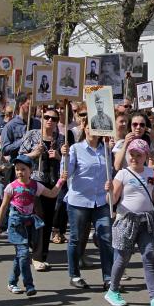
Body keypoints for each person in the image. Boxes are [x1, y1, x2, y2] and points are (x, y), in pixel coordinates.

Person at [105, 139, 154, 306]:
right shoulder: (122, 174)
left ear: (145, 156)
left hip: (147, 221)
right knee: (122, 258)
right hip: (127, 221)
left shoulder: (150, 173)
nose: (134, 158)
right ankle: (112, 290)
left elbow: (153, 196)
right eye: (132, 155)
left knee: (149, 256)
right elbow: (112, 201)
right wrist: (109, 191)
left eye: (138, 155)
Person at [0, 155, 64, 296]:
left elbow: (51, 194)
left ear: (31, 170)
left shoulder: (35, 185)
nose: (20, 172)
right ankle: (29, 285)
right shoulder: (11, 187)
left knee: (21, 255)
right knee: (24, 253)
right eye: (17, 169)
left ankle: (12, 282)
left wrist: (61, 180)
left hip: (29, 224)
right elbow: (3, 206)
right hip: (15, 225)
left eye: (23, 169)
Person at [64, 116, 114, 289]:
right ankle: (75, 274)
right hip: (79, 200)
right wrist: (64, 158)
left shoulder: (106, 149)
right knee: (76, 239)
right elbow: (68, 173)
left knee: (106, 238)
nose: (93, 130)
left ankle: (108, 278)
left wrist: (110, 182)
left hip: (100, 200)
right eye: (89, 126)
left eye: (96, 127)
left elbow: (110, 173)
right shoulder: (75, 149)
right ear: (84, 128)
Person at [19, 107, 68, 270]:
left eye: (54, 119)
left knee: (47, 219)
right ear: (41, 118)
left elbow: (68, 164)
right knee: (37, 217)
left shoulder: (61, 139)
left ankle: (41, 254)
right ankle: (35, 254)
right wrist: (34, 153)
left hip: (52, 183)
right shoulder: (32, 135)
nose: (50, 121)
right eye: (47, 117)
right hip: (33, 182)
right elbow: (20, 158)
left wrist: (60, 156)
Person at [0, 93, 41, 163]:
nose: (33, 107)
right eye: (29, 104)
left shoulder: (37, 123)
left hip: (35, 166)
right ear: (20, 105)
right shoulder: (10, 126)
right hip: (18, 166)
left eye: (34, 104)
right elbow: (5, 150)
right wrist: (24, 140)